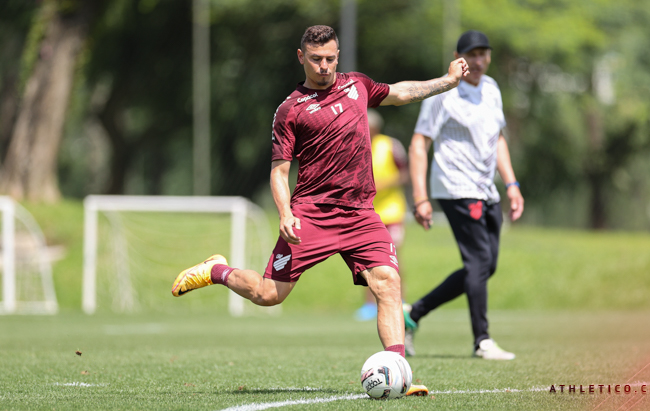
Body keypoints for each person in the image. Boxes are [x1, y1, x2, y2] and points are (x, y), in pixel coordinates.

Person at [171, 25, 467, 392]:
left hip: (360, 213)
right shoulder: (290, 110)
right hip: (312, 213)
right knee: (267, 295)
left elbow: (401, 93)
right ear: (301, 57)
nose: (324, 66)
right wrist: (285, 212)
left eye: (329, 58)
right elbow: (279, 173)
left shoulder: (357, 85)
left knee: (388, 284)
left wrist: (448, 81)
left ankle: (399, 373)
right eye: (315, 59)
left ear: (338, 56)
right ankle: (216, 270)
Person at [404, 30, 524, 360]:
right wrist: (420, 197)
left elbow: (498, 139)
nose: (479, 59)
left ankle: (412, 314)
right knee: (477, 262)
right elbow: (419, 143)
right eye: (472, 54)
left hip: (488, 191)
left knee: (485, 265)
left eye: (484, 53)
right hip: (456, 188)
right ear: (458, 57)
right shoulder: (443, 92)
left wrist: (511, 184)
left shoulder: (492, 89)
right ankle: (482, 340)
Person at [354, 109, 408, 321]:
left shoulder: (391, 146)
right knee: (366, 261)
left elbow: (405, 173)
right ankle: (369, 304)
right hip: (366, 213)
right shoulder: (354, 147)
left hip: (392, 211)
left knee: (394, 259)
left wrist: (385, 184)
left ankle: (399, 300)